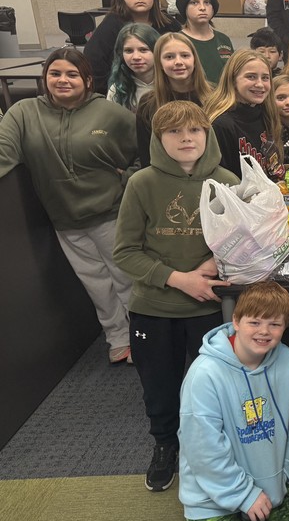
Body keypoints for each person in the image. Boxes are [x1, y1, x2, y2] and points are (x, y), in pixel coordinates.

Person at [113, 101, 237, 492]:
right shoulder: (142, 183)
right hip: (155, 307)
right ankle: (166, 444)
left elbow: (240, 241)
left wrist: (213, 265)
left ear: (207, 135)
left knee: (215, 386)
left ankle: (215, 447)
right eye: (174, 132)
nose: (186, 138)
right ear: (157, 138)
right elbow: (125, 252)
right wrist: (181, 279)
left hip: (209, 305)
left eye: (195, 130)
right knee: (160, 386)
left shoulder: (227, 181)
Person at [0, 48, 136, 364]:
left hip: (112, 214)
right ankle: (118, 337)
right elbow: (4, 152)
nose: (63, 80)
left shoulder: (109, 113)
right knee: (97, 286)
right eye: (55, 73)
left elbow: (147, 153)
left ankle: (145, 335)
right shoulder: (24, 113)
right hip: (65, 220)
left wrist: (128, 178)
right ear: (45, 78)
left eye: (72, 74)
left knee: (127, 280)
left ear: (88, 80)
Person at [178, 281, 289, 521]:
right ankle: (229, 511)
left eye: (275, 324)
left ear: (285, 327)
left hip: (269, 475)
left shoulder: (287, 360)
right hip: (213, 485)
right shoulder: (204, 375)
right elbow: (203, 451)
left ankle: (250, 507)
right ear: (235, 321)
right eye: (254, 321)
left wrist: (285, 471)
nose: (264, 331)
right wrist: (243, 496)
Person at [85, 0, 181, 94]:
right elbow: (93, 62)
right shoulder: (110, 26)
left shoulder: (169, 24)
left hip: (167, 92)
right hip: (125, 94)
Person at [136, 32, 213, 169]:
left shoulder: (214, 97)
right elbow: (146, 156)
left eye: (185, 55)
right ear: (159, 63)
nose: (178, 62)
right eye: (169, 57)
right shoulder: (148, 103)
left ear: (195, 60)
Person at [206, 49, 283, 181]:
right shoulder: (221, 124)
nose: (259, 84)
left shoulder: (267, 114)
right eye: (251, 77)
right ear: (233, 80)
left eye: (265, 78)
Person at [175, 0, 234, 84]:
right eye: (194, 3)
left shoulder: (223, 39)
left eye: (207, 2)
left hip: (223, 99)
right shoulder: (177, 41)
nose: (202, 7)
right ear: (184, 7)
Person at [107, 22, 158, 112]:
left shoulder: (173, 83)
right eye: (129, 51)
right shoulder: (118, 89)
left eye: (143, 50)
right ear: (121, 54)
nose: (136, 57)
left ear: (157, 51)